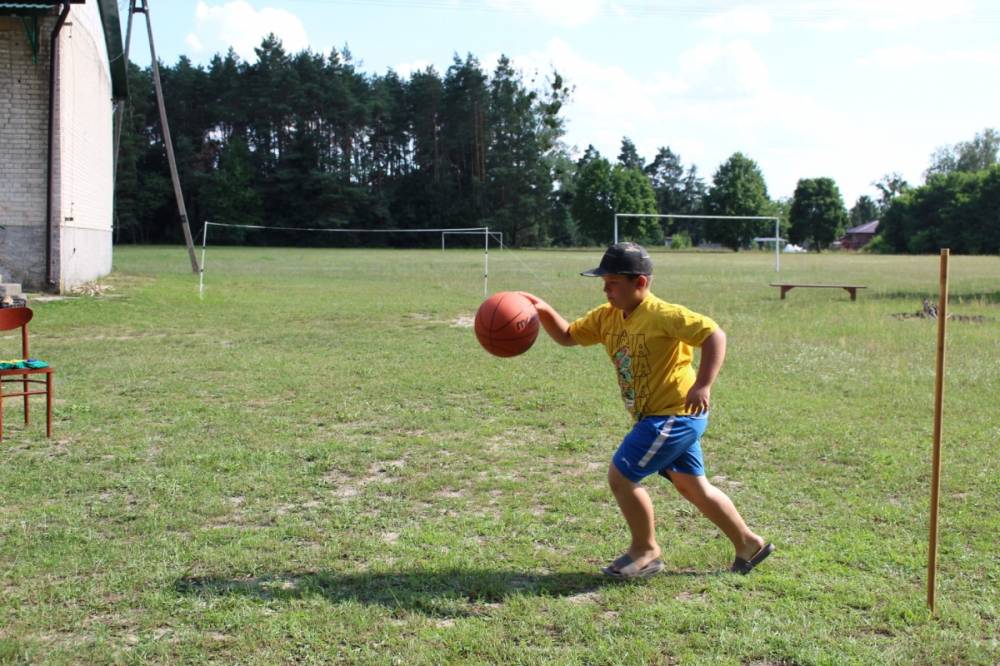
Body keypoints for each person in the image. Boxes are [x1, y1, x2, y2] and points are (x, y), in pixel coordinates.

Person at [521, 242, 773, 578]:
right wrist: (541, 310)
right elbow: (568, 335)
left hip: (675, 414)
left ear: (640, 283)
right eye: (604, 283)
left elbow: (714, 335)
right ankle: (748, 543)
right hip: (657, 416)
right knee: (692, 487)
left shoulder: (663, 315)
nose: (606, 290)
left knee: (621, 476)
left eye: (613, 283)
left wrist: (703, 384)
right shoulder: (606, 317)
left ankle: (646, 551)